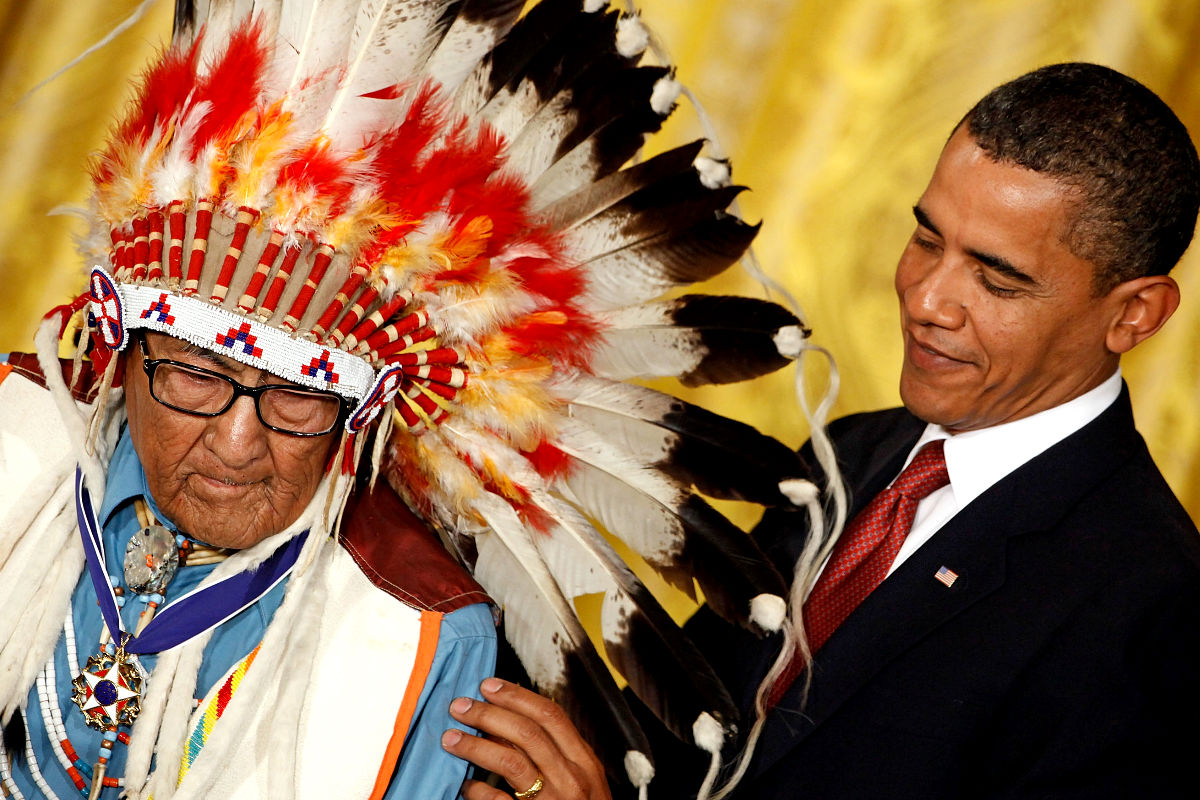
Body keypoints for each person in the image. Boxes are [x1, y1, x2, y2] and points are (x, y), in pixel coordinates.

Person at [0, 1, 809, 798]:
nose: (238, 441)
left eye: (298, 396)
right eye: (194, 377)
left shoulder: (414, 628)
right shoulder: (13, 432)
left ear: (367, 410)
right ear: (117, 344)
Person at [442, 62, 1200, 799]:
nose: (928, 298)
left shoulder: (1151, 609)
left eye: (997, 278)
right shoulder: (851, 453)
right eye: (927, 239)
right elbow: (695, 734)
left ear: (1136, 313)